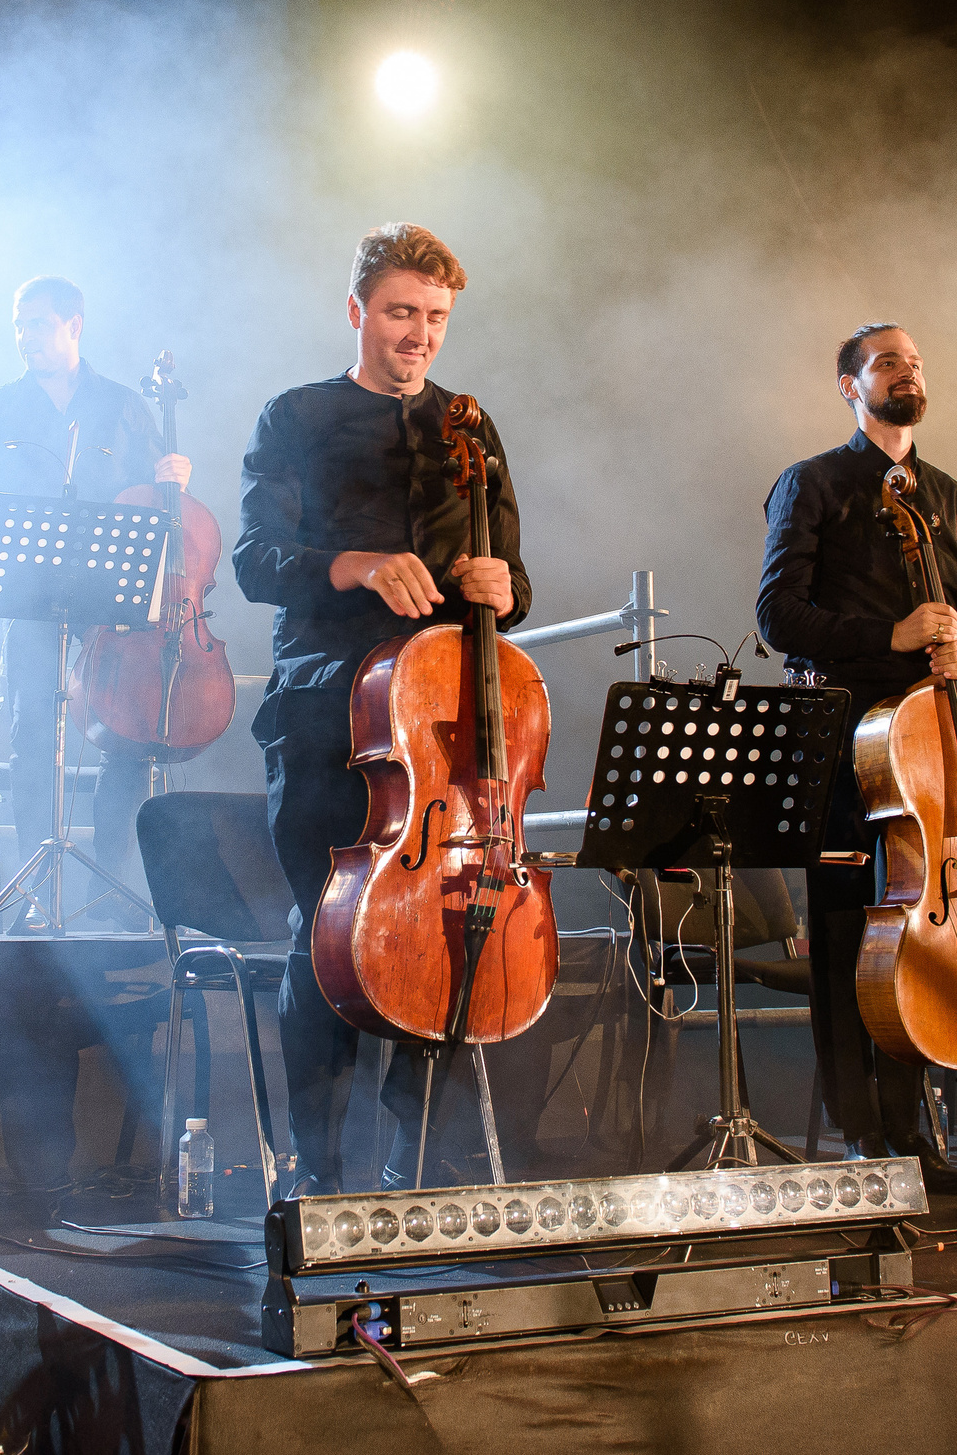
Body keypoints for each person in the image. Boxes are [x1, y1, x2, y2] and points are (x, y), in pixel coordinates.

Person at [236, 222, 530, 1195]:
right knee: (328, 940)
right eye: (402, 312)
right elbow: (252, 561)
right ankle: (315, 1179)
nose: (419, 334)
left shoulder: (470, 428)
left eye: (436, 317)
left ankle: (424, 1173)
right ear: (357, 310)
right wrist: (351, 563)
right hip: (327, 711)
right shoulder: (298, 416)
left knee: (442, 943)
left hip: (443, 731)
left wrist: (503, 585)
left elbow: (513, 579)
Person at [756, 323, 957, 1188]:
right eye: (888, 360)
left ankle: (913, 1128)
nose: (908, 370)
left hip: (929, 749)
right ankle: (865, 1136)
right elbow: (779, 616)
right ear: (849, 385)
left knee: (919, 939)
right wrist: (887, 635)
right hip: (846, 742)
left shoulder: (953, 499)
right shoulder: (813, 483)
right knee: (851, 931)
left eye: (916, 360)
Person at [0, 276, 185, 898]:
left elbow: (155, 503)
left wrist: (174, 478)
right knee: (31, 730)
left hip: (110, 598)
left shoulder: (123, 403)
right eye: (19, 326)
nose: (25, 338)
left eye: (37, 325)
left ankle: (113, 877)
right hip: (29, 596)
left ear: (74, 325)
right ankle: (35, 887)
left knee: (129, 727)